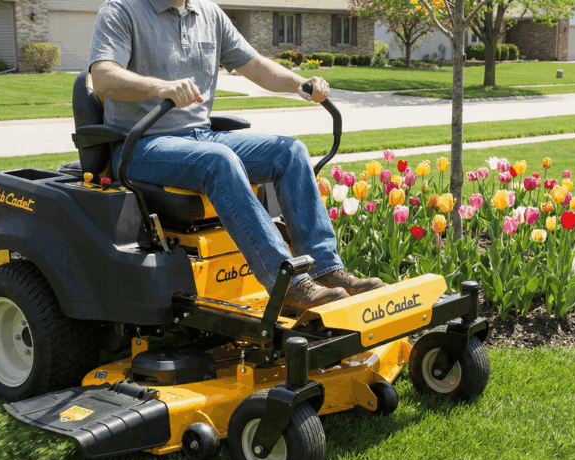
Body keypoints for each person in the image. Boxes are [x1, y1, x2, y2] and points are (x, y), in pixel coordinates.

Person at [89, 0, 384, 311]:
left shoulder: (209, 14)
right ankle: (289, 284)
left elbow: (255, 66)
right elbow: (103, 78)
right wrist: (162, 88)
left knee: (290, 152)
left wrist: (301, 84)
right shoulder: (122, 10)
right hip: (140, 143)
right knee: (219, 160)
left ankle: (326, 270)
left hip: (200, 136)